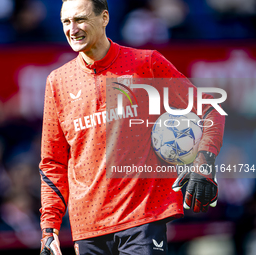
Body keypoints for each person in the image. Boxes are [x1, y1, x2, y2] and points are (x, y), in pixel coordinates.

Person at [39, 0, 225, 254]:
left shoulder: (146, 64)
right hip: (87, 229)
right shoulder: (57, 82)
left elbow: (210, 110)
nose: (72, 28)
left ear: (104, 18)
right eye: (66, 22)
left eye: (80, 19)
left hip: (142, 220)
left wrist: (204, 160)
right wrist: (49, 228)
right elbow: (53, 163)